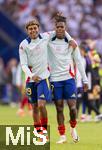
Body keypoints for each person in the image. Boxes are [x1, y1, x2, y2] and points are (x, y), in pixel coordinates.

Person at [48, 15, 88, 144]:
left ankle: (73, 127)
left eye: (62, 27)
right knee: (59, 108)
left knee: (72, 107)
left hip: (69, 79)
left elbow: (79, 62)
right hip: (55, 79)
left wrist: (85, 80)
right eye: (58, 27)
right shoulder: (48, 40)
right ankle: (62, 136)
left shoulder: (72, 43)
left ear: (66, 28)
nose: (60, 29)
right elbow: (37, 36)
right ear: (55, 28)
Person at [19, 19, 52, 134]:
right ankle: (39, 133)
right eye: (30, 29)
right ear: (27, 31)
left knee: (42, 105)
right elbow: (23, 64)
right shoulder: (23, 45)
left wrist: (71, 40)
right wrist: (32, 75)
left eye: (35, 28)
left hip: (43, 77)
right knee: (35, 107)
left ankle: (45, 131)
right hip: (31, 79)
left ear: (38, 28)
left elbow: (60, 31)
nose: (33, 30)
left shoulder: (46, 37)